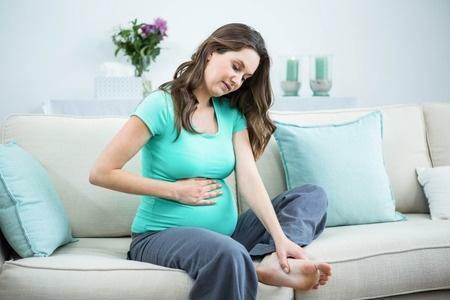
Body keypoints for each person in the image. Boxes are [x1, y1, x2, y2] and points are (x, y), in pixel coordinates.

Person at [89, 23, 332, 300]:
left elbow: (249, 178)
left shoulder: (231, 114)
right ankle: (244, 261)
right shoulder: (160, 105)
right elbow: (101, 172)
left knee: (312, 196)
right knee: (229, 253)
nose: (237, 80)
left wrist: (279, 239)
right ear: (212, 52)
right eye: (236, 66)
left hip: (228, 236)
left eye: (246, 77)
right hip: (160, 235)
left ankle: (268, 260)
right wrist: (175, 191)